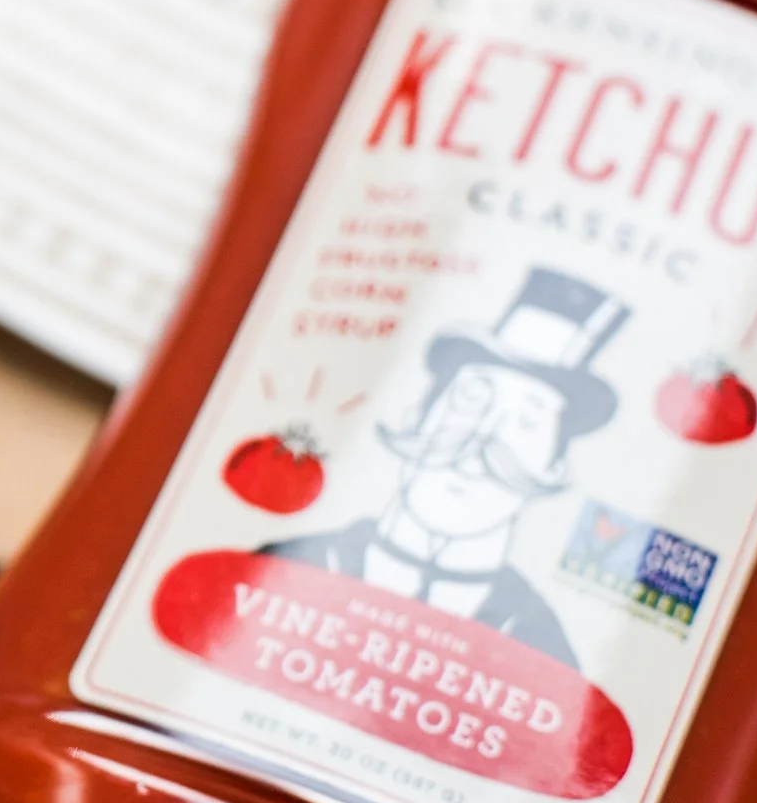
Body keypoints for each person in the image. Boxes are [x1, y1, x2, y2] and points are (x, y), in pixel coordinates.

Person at [261, 267, 628, 671]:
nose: (479, 442)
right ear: (418, 415)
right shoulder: (277, 571)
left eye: (527, 420)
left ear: (554, 466)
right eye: (471, 398)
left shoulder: (547, 655)